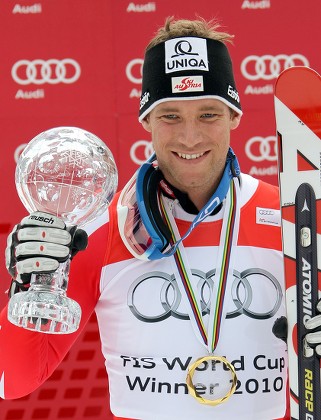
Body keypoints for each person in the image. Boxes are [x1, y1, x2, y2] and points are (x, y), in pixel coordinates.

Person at [1, 16, 321, 420]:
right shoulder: (101, 232)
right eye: (170, 116)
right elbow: (14, 381)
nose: (190, 137)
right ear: (146, 121)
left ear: (235, 116)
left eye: (208, 114)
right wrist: (27, 287)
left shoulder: (295, 220)